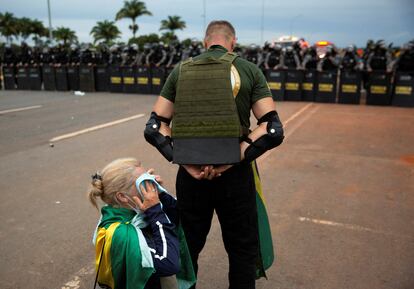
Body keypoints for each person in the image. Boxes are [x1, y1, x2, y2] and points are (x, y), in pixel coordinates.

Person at [144, 20, 283, 289]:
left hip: (190, 175)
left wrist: (183, 160)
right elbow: (272, 128)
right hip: (236, 176)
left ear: (205, 42)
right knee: (242, 250)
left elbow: (154, 126)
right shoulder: (248, 69)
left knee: (188, 249)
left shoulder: (181, 70)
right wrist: (235, 158)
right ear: (233, 42)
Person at [88, 158, 195, 289]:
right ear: (122, 197)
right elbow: (168, 264)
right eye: (142, 183)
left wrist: (160, 194)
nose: (149, 186)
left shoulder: (130, 212)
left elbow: (178, 218)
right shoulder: (124, 232)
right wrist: (155, 212)